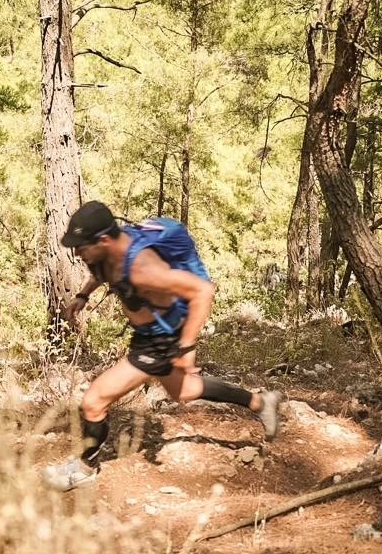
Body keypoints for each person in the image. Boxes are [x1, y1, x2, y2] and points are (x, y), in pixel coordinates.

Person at [42, 200, 283, 491]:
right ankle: (260, 403)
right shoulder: (105, 252)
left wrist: (185, 347)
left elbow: (202, 291)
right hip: (146, 334)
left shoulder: (143, 268)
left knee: (94, 401)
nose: (77, 253)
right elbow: (100, 270)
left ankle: (85, 468)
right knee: (183, 390)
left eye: (81, 246)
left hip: (159, 342)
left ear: (103, 239)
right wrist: (83, 295)